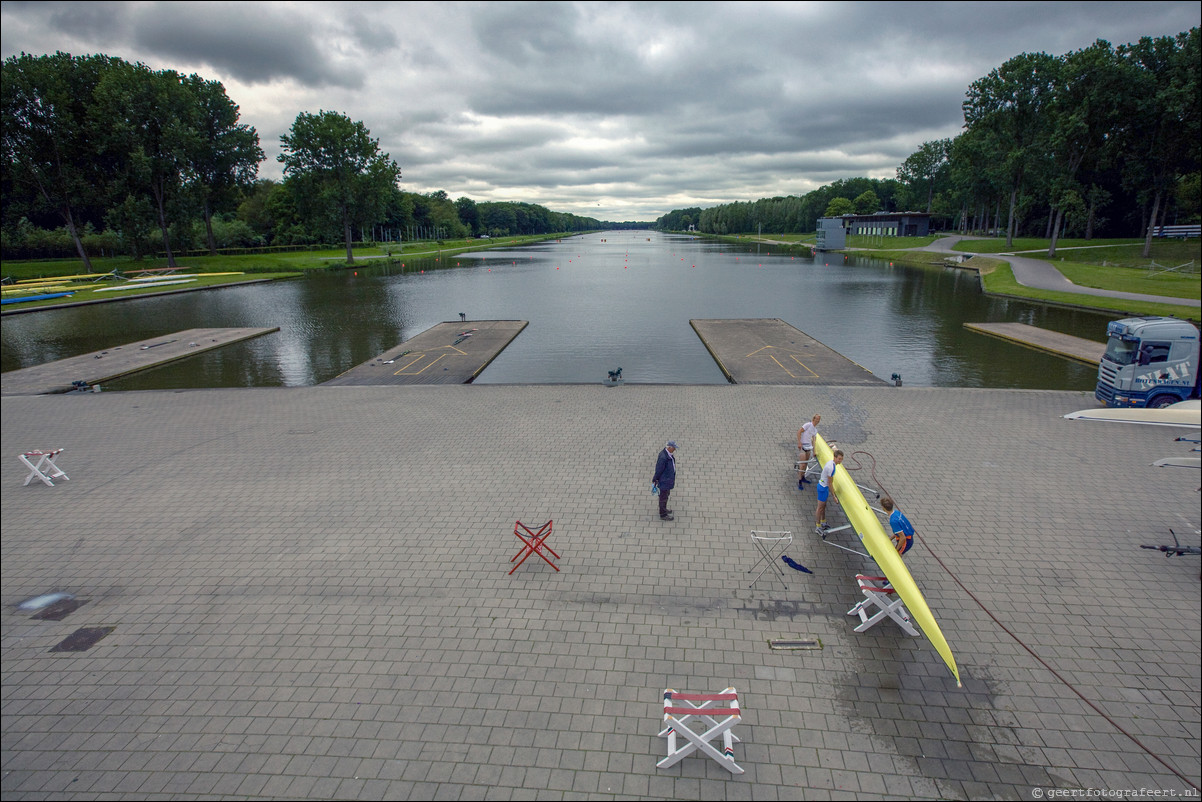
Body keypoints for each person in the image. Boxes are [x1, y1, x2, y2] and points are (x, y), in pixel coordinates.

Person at [814, 448, 843, 534]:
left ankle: (823, 522)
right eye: (839, 459)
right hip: (823, 488)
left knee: (823, 506)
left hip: (824, 487)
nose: (840, 461)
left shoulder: (831, 464)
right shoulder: (831, 468)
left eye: (842, 459)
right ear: (835, 457)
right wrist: (834, 496)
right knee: (820, 508)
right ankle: (818, 526)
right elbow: (830, 483)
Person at [652, 440, 678, 521]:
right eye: (674, 448)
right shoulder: (663, 457)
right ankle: (663, 514)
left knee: (665, 496)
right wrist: (655, 478)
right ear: (669, 447)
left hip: (667, 480)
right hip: (664, 481)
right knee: (663, 497)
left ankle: (664, 509)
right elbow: (659, 469)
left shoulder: (668, 455)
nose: (675, 449)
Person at [796, 413, 821, 489]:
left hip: (808, 447)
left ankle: (803, 477)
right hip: (803, 446)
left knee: (806, 464)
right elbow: (799, 431)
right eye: (816, 419)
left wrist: (814, 451)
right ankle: (799, 481)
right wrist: (799, 442)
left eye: (818, 420)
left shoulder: (815, 430)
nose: (817, 421)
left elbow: (814, 441)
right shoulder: (808, 425)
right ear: (813, 419)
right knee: (802, 464)